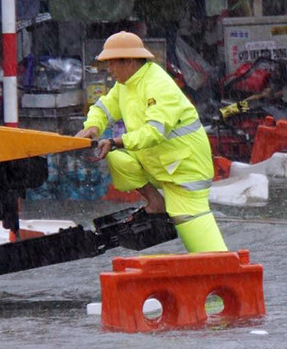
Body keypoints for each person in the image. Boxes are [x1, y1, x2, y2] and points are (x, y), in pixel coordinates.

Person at [75, 31, 227, 253]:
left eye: (111, 64)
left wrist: (117, 141)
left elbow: (155, 132)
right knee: (116, 158)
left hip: (182, 171)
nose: (108, 69)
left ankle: (221, 272)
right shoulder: (126, 84)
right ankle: (156, 202)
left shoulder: (157, 85)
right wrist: (93, 127)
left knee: (201, 243)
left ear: (129, 61)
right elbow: (104, 107)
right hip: (157, 162)